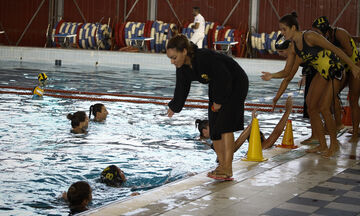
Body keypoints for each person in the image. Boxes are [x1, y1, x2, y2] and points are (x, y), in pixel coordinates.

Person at [274, 12, 360, 158]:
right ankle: (322, 143)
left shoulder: (309, 36)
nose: (282, 33)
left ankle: (334, 145)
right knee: (311, 105)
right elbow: (287, 74)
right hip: (322, 73)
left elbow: (336, 49)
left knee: (324, 107)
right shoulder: (295, 47)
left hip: (335, 70)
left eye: (284, 29)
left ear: (293, 28)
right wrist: (275, 89)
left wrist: (353, 66)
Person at [166, 34, 248, 180]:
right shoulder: (182, 67)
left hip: (235, 82)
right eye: (170, 58)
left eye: (174, 57)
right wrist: (174, 106)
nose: (172, 62)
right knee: (215, 128)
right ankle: (222, 165)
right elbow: (181, 88)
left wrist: (219, 101)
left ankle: (228, 168)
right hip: (218, 86)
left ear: (184, 51)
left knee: (225, 126)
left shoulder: (204, 57)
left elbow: (224, 76)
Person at [312, 16, 360, 142]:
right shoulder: (326, 39)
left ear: (325, 30)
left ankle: (355, 133)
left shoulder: (340, 33)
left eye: (317, 32)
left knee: (354, 100)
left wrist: (330, 47)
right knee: (331, 94)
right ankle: (336, 124)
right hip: (343, 69)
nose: (316, 35)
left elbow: (349, 52)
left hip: (355, 66)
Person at [197, 96, 293, 151]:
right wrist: (287, 111)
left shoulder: (215, 140)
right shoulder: (263, 147)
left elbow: (236, 145)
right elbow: (276, 133)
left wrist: (252, 124)